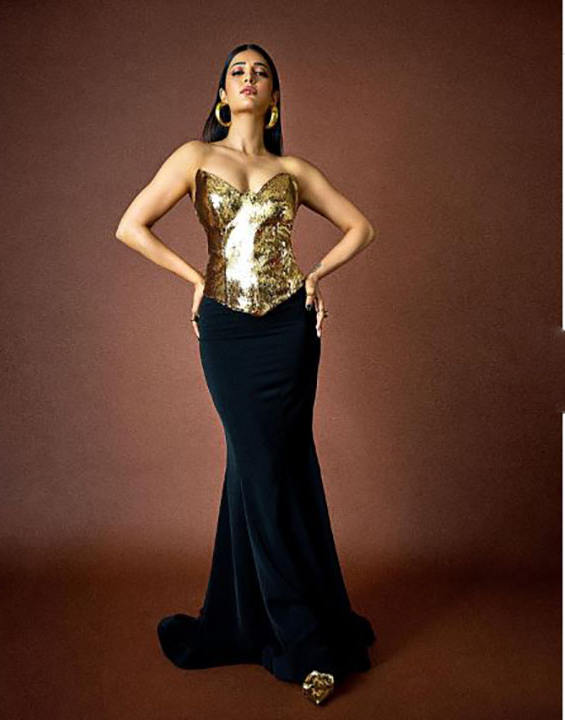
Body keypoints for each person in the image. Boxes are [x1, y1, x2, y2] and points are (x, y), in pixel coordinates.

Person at [115, 42, 377, 705]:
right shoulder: (194, 158)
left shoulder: (294, 169)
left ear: (275, 97)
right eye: (238, 71)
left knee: (278, 467)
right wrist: (194, 280)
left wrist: (317, 275)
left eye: (261, 72)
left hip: (290, 330)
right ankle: (304, 641)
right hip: (229, 332)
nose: (250, 78)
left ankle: (259, 619)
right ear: (222, 95)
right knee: (259, 467)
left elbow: (361, 228)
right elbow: (131, 226)